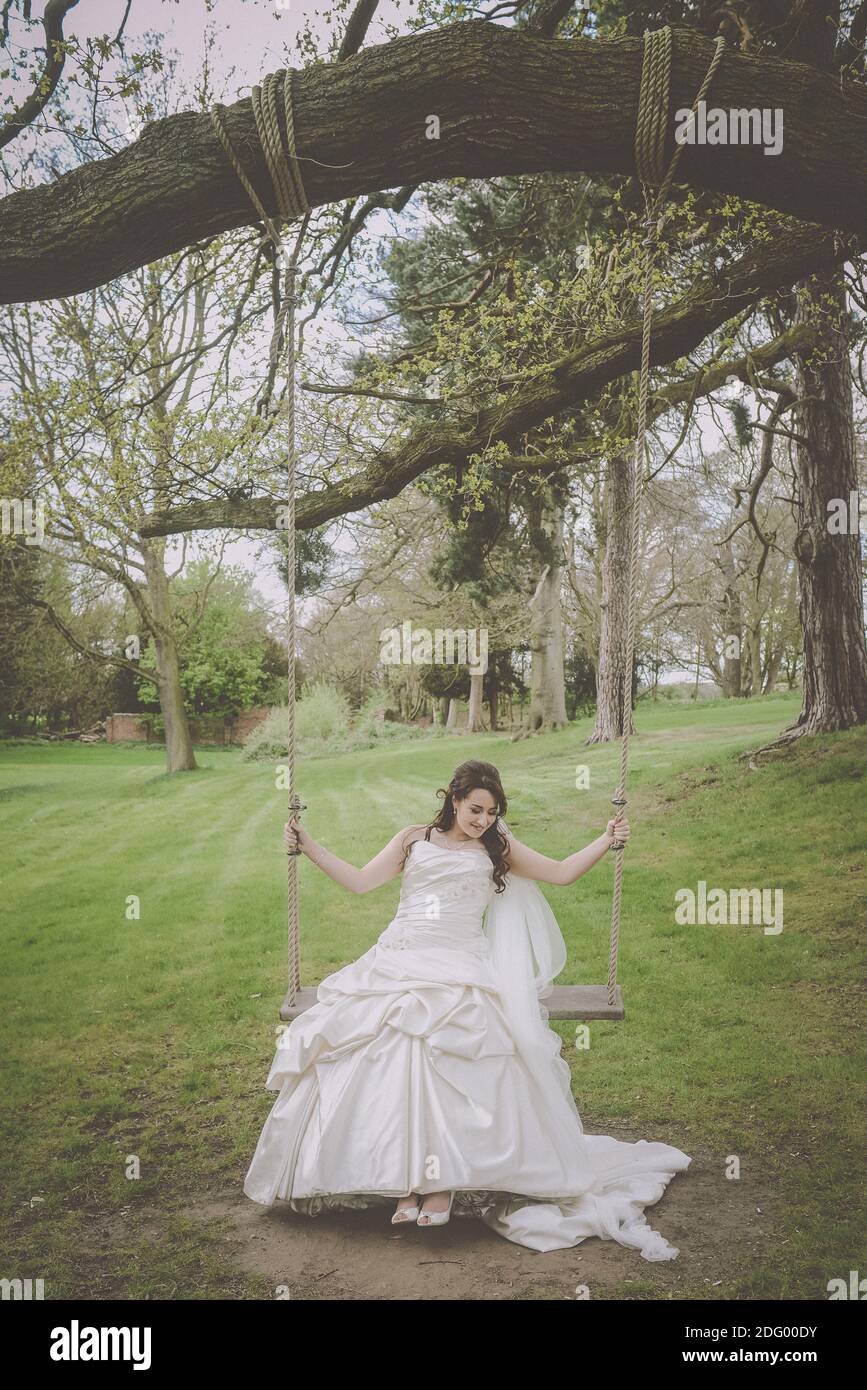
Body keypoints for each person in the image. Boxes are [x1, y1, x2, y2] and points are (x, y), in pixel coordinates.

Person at [242, 758, 691, 1258]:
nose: (482, 819)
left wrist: (608, 839)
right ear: (454, 800)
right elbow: (361, 881)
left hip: (458, 963)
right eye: (475, 809)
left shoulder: (496, 846)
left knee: (454, 1057)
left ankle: (442, 1184)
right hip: (399, 958)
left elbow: (561, 873)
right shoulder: (413, 838)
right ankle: (405, 1179)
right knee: (385, 1052)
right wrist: (307, 846)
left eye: (491, 812)